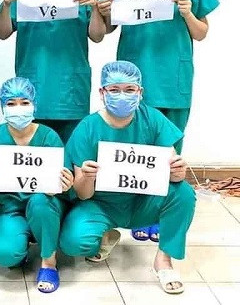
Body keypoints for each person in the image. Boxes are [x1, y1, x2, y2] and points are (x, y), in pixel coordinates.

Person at [96, 0, 218, 241]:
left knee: (170, 148)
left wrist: (188, 13)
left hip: (174, 77)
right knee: (136, 147)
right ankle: (140, 212)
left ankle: (163, 211)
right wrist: (104, 11)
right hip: (134, 79)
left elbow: (201, 33)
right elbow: (106, 29)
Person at [58, 61, 195, 295]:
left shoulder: (152, 119)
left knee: (183, 193)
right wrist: (87, 177)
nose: (122, 95)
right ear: (102, 92)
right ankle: (107, 235)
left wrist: (177, 172)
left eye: (130, 89)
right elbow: (83, 194)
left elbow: (172, 168)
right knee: (73, 243)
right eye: (114, 89)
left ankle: (164, 261)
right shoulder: (87, 128)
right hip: (101, 204)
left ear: (140, 92)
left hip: (142, 201)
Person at [0, 0, 105, 144]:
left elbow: (98, 36)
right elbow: (3, 33)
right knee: (37, 151)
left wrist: (95, 7)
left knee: (71, 150)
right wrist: (7, 5)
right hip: (34, 81)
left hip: (70, 88)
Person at [0, 77, 74, 293]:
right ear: (2, 107)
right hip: (7, 209)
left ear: (34, 105)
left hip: (43, 204)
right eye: (11, 103)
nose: (18, 108)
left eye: (24, 102)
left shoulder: (48, 137)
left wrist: (65, 184)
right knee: (5, 254)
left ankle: (49, 262)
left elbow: (62, 182)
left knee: (40, 202)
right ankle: (20, 243)